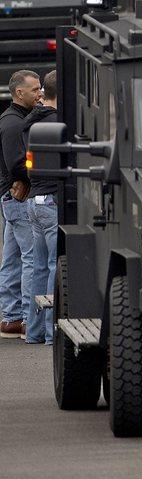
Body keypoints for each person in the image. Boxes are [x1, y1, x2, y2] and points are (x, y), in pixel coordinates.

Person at [0, 70, 40, 339]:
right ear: (19, 93)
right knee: (30, 258)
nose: (40, 94)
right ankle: (26, 318)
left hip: (9, 197)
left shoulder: (15, 118)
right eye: (35, 90)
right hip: (18, 196)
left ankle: (10, 317)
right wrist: (34, 176)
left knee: (12, 258)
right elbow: (17, 163)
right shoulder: (14, 124)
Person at [23, 70, 58, 345]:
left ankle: (34, 332)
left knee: (38, 268)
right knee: (55, 267)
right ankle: (50, 333)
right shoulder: (59, 122)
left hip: (34, 202)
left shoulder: (29, 122)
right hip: (52, 201)